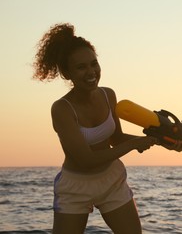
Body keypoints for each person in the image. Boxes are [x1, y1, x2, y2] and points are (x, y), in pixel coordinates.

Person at [33, 23, 164, 233]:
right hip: (76, 187)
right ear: (67, 74)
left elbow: (116, 138)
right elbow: (85, 159)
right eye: (81, 67)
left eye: (94, 64)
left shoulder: (108, 95)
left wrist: (157, 139)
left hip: (111, 180)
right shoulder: (62, 109)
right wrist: (133, 145)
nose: (91, 71)